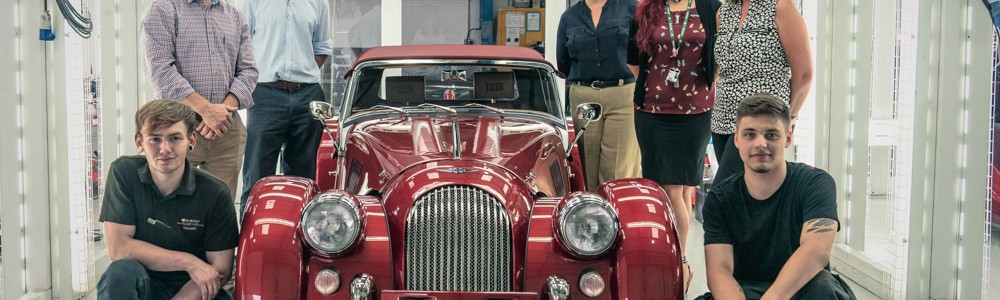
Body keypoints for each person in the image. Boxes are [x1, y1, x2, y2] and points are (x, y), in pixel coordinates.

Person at [699, 94, 854, 299]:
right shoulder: (720, 199)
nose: (760, 143)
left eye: (771, 135)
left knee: (824, 287)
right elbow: (720, 271)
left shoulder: (815, 183)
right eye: (750, 134)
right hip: (745, 291)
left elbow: (816, 250)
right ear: (736, 138)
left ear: (788, 137)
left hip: (804, 288)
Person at [98, 100, 240, 300]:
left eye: (174, 138)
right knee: (120, 273)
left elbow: (221, 269)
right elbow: (119, 249)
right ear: (139, 142)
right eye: (155, 139)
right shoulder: (124, 173)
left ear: (191, 140)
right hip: (143, 281)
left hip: (194, 287)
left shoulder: (215, 192)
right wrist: (188, 262)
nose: (165, 148)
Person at [627, 0, 721, 293]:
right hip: (652, 113)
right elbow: (634, 58)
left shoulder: (709, 7)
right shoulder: (646, 8)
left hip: (695, 113)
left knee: (678, 189)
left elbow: (719, 54)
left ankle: (676, 262)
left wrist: (701, 89)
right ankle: (673, 260)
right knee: (663, 188)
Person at [142, 0, 259, 202]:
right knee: (169, 204)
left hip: (226, 128)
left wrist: (221, 112)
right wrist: (206, 110)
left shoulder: (236, 16)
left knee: (220, 206)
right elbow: (160, 70)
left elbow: (249, 71)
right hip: (176, 126)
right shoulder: (164, 9)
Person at [238, 0, 333, 218]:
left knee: (304, 174)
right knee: (256, 175)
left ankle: (299, 237)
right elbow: (241, 46)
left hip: (307, 95)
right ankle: (249, 239)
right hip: (264, 94)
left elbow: (322, 47)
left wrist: (299, 76)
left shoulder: (318, 2)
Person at [711, 0, 813, 184]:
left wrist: (789, 117)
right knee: (741, 193)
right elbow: (722, 67)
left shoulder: (780, 7)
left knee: (724, 191)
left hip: (761, 122)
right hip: (722, 122)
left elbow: (804, 74)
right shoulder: (724, 12)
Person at [556, 0, 642, 192]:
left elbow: (643, 51)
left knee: (618, 170)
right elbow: (563, 63)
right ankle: (595, 218)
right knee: (590, 168)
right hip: (584, 96)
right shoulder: (569, 17)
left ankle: (618, 217)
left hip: (622, 93)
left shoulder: (631, 9)